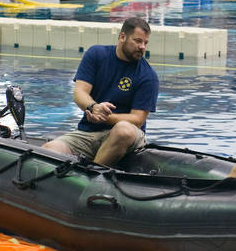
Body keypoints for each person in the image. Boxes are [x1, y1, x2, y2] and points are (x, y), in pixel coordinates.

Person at [42, 16, 159, 166]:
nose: (142, 47)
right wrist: (93, 107)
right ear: (122, 37)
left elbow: (137, 120)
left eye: (145, 43)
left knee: (123, 130)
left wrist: (103, 117)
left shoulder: (148, 76)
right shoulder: (96, 55)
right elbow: (79, 93)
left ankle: (91, 174)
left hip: (128, 137)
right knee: (49, 150)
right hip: (89, 132)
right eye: (137, 41)